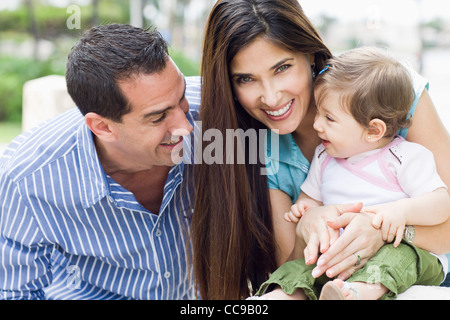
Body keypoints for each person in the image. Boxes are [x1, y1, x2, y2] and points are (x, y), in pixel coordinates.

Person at [192, 0, 450, 300]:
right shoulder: (256, 147)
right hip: (329, 278)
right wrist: (307, 225)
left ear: (310, 54)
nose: (272, 97)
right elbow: (293, 264)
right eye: (246, 79)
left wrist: (381, 230)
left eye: (282, 68)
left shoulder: (388, 93)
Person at [0, 24, 201, 300]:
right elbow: (15, 293)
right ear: (102, 127)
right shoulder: (27, 180)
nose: (185, 127)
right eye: (157, 117)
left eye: (181, 98)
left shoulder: (216, 109)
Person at [257, 47, 449, 300]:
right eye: (319, 111)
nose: (316, 125)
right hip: (342, 252)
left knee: (392, 259)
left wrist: (400, 212)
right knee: (303, 265)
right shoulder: (324, 157)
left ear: (373, 130)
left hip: (401, 248)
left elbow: (441, 202)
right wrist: (306, 209)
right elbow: (310, 196)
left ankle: (358, 293)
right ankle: (285, 293)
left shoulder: (403, 157)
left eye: (329, 118)